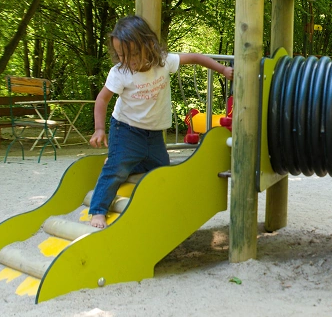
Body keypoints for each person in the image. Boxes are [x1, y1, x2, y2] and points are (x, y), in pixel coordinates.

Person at [87, 15, 233, 228]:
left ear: (148, 45)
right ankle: (98, 209)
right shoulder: (120, 73)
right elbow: (102, 99)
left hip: (154, 133)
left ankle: (121, 159)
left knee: (161, 169)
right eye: (121, 55)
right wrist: (99, 129)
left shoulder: (163, 61)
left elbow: (195, 57)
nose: (128, 60)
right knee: (116, 169)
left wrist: (222, 69)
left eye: (133, 54)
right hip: (125, 129)